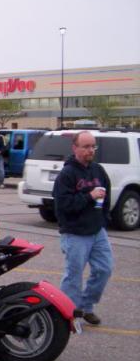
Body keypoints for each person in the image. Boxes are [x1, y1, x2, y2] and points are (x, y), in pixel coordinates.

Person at [52, 131, 113, 325]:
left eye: (93, 146)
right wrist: (89, 196)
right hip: (75, 232)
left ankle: (86, 306)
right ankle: (68, 313)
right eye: (86, 146)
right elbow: (63, 205)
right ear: (75, 148)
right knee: (74, 275)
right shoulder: (67, 174)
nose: (90, 150)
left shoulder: (98, 170)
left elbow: (106, 194)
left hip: (97, 230)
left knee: (104, 269)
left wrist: (104, 218)